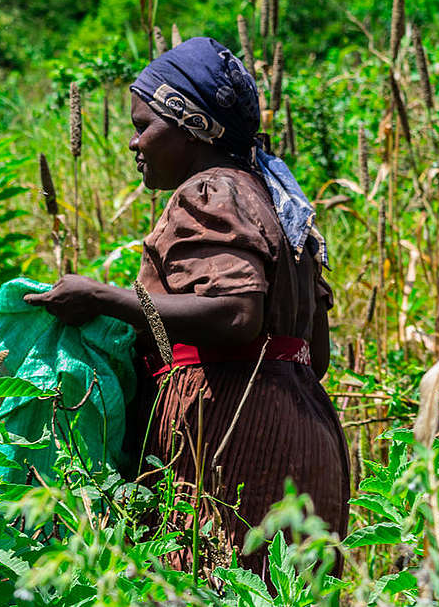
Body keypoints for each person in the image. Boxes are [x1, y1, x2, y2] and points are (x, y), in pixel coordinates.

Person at [23, 37, 349, 580]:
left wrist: (102, 298)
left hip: (231, 436)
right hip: (307, 434)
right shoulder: (276, 200)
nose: (133, 142)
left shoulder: (209, 190)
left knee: (214, 584)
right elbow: (316, 355)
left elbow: (236, 313)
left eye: (143, 125)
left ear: (191, 126)